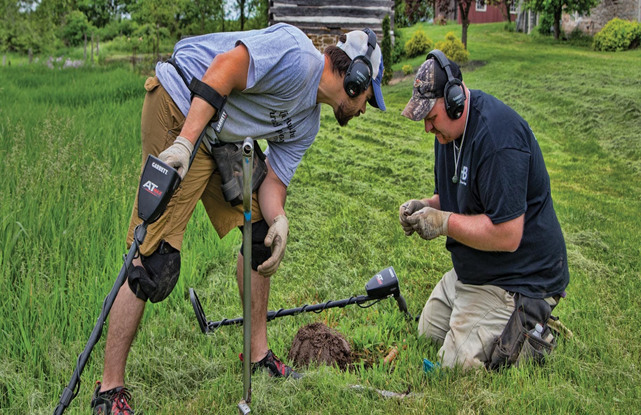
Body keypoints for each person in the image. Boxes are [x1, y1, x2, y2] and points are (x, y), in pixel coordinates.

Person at [91, 23, 386, 414]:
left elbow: (274, 181)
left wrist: (278, 218)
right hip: (182, 105)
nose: (366, 107)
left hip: (219, 138)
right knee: (153, 258)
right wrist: (184, 144)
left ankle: (257, 355)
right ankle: (110, 390)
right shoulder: (297, 56)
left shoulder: (308, 123)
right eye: (369, 96)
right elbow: (226, 68)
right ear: (356, 78)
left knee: (261, 235)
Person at [398, 50, 569, 370]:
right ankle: (498, 325)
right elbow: (451, 198)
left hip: (518, 277)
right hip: (477, 268)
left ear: (454, 102)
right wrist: (424, 207)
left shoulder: (498, 140)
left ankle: (532, 328)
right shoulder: (447, 136)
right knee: (428, 333)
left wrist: (444, 222)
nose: (427, 129)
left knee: (454, 365)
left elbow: (507, 234)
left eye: (430, 118)